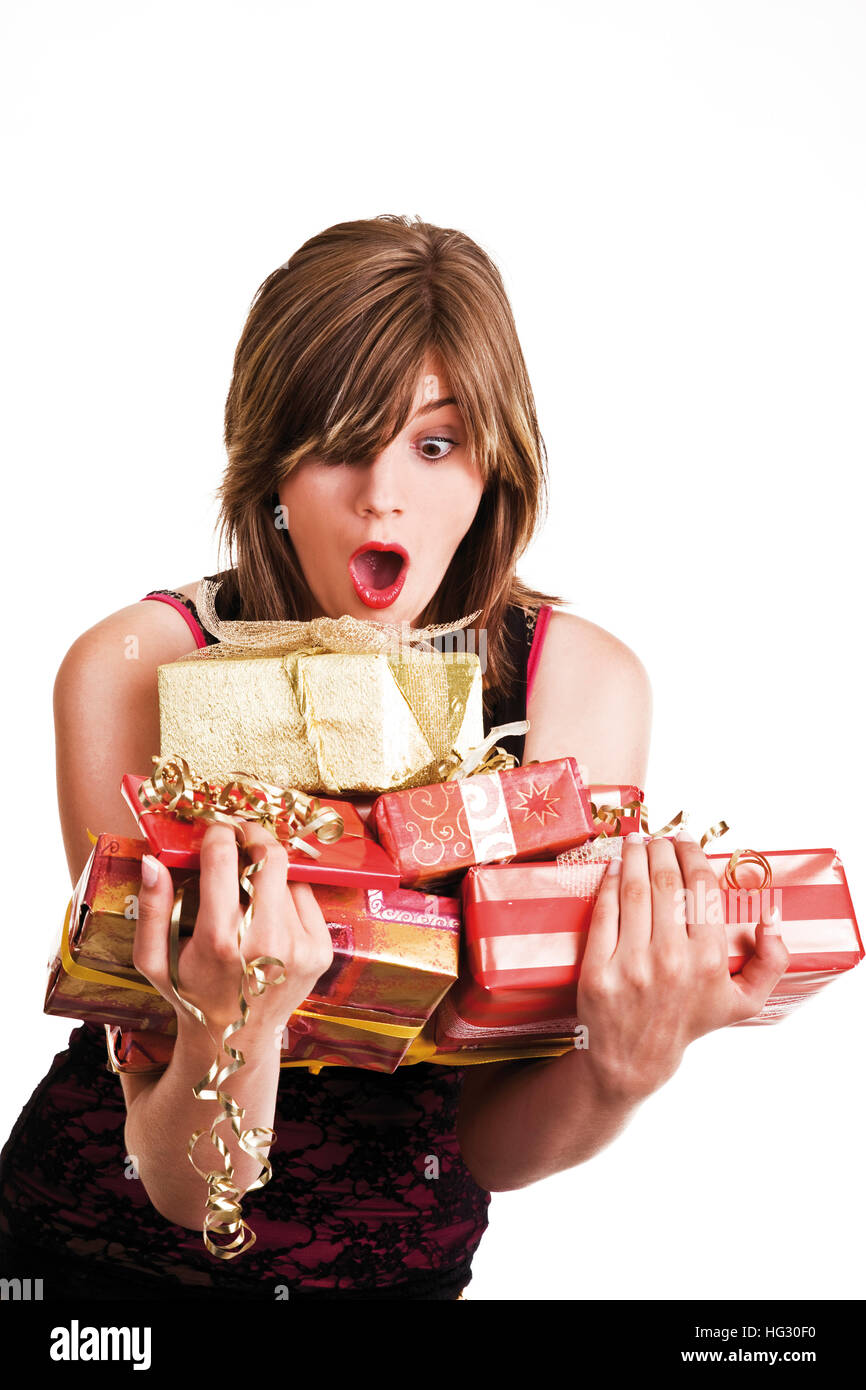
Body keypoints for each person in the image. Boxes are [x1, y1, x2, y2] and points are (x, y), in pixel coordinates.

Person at [0, 215, 789, 1300]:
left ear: (490, 466)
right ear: (270, 462)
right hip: (98, 1264)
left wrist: (620, 1068)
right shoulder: (134, 667)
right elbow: (185, 1188)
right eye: (337, 439)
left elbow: (491, 1147)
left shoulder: (576, 684)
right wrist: (238, 1031)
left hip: (406, 1272)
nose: (383, 494)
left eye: (432, 443)